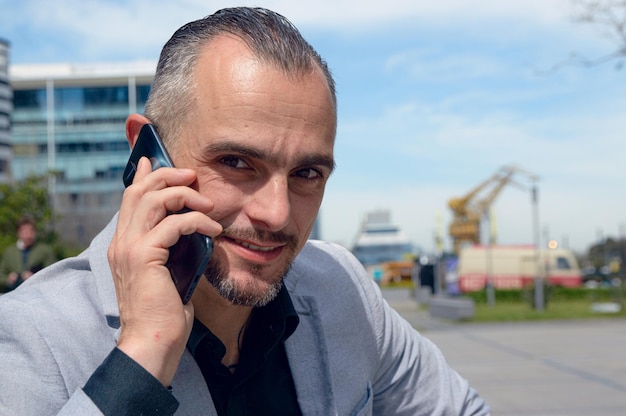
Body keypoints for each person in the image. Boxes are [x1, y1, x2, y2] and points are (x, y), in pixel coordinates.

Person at [0, 7, 490, 415]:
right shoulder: (28, 338)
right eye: (235, 163)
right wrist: (143, 356)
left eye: (307, 174)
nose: (276, 215)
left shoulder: (342, 288)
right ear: (146, 155)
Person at [0, 215, 56, 292]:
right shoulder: (9, 252)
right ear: (19, 233)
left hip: (37, 292)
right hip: (12, 293)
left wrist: (34, 277)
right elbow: (1, 274)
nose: (28, 235)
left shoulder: (44, 250)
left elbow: (54, 274)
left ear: (35, 232)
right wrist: (8, 279)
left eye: (31, 231)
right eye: (25, 231)